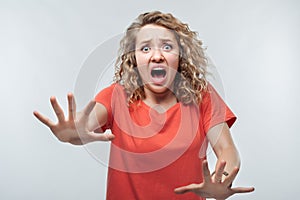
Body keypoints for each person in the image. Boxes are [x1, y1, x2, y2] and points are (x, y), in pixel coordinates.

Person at [33, 11, 254, 200]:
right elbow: (85, 125)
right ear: (134, 58)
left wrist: (221, 181)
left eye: (167, 46)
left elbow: (227, 150)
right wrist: (73, 132)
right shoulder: (116, 96)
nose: (157, 56)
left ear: (181, 56)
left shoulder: (202, 96)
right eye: (146, 49)